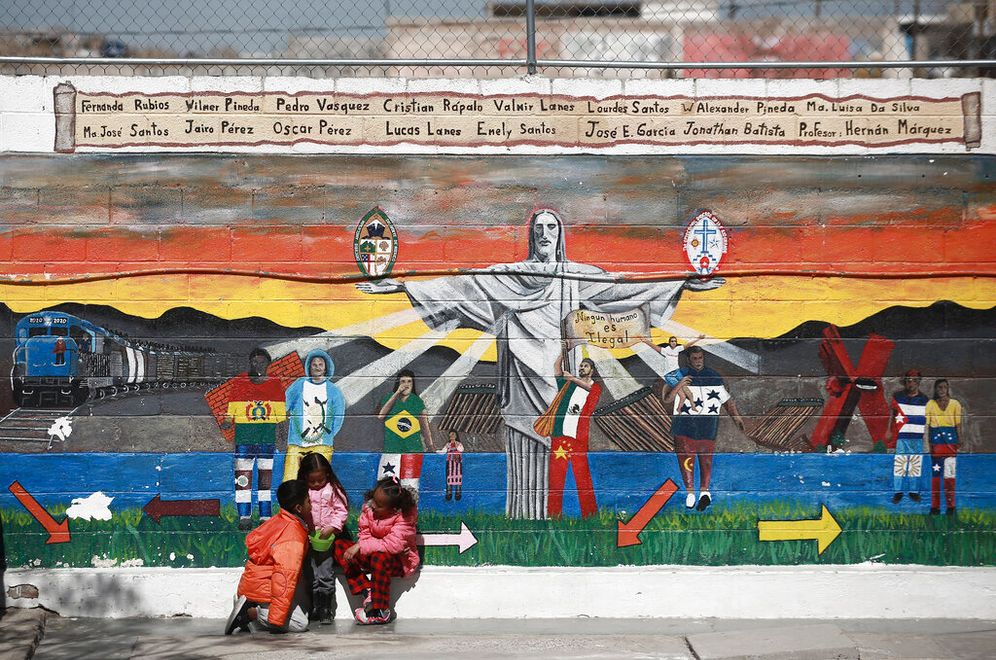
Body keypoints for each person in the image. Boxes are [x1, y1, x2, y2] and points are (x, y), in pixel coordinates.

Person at [357, 208, 723, 519]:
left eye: (552, 228)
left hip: (562, 385)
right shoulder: (509, 276)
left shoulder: (576, 276)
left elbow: (621, 288)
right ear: (531, 236)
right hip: (520, 380)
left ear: (560, 235)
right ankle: (522, 518)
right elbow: (463, 287)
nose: (545, 234)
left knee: (562, 454)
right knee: (522, 453)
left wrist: (683, 284)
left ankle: (553, 517)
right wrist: (400, 287)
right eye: (539, 229)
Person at [661, 346, 746, 511]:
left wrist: (737, 418)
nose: (698, 361)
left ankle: (704, 492)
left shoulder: (713, 376)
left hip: (707, 424)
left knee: (706, 459)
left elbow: (726, 400)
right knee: (686, 460)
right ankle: (690, 493)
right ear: (688, 359)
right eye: (695, 358)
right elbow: (667, 398)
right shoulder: (678, 375)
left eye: (700, 358)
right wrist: (679, 384)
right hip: (683, 424)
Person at [225, 479, 312, 635]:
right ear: (298, 508)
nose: (311, 505)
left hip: (254, 584)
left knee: (303, 611)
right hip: (263, 589)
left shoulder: (281, 520)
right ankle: (249, 613)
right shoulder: (292, 534)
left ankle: (248, 607)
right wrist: (276, 618)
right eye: (308, 501)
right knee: (300, 623)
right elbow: (284, 575)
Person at [333, 477, 420, 625]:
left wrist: (360, 546)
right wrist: (359, 546)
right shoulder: (369, 509)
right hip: (371, 556)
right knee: (340, 546)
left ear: (393, 509)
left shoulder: (405, 517)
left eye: (378, 505)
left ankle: (381, 610)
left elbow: (393, 545)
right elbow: (364, 533)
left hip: (397, 561)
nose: (373, 505)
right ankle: (366, 590)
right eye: (373, 499)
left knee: (380, 557)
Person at [220, 348, 287, 531]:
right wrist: (227, 421)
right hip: (244, 438)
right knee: (243, 478)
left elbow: (281, 416)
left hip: (266, 438)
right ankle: (244, 516)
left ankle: (265, 515)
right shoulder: (240, 383)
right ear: (250, 363)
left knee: (265, 479)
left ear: (268, 364)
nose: (258, 365)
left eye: (262, 362)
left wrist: (282, 437)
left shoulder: (274, 384)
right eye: (255, 362)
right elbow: (231, 407)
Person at [542, 341, 602, 518]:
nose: (582, 368)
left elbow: (589, 389)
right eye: (581, 365)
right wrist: (563, 351)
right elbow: (556, 367)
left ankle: (590, 514)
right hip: (560, 436)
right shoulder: (570, 386)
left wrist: (573, 378)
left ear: (592, 370)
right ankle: (554, 515)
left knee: (582, 477)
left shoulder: (595, 387)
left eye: (586, 366)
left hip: (578, 438)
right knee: (556, 478)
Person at [298, 452, 349, 625]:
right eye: (312, 481)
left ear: (327, 474)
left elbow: (341, 511)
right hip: (308, 539)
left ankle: (326, 608)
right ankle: (314, 607)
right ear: (305, 477)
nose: (317, 484)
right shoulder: (303, 490)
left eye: (320, 480)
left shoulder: (332, 490)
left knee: (325, 573)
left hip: (326, 540)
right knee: (311, 573)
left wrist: (332, 527)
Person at [283, 349, 346, 483]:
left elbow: (338, 417)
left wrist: (327, 435)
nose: (317, 367)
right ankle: (289, 504)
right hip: (296, 442)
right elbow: (285, 404)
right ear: (309, 367)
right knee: (291, 479)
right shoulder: (299, 385)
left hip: (322, 444)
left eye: (320, 364)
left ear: (325, 368)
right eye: (314, 364)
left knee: (317, 480)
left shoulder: (334, 391)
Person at [377, 370, 434, 493]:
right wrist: (397, 393)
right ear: (398, 383)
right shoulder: (389, 398)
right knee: (387, 485)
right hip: (391, 450)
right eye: (403, 381)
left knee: (410, 487)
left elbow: (425, 426)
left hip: (412, 451)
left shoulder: (417, 401)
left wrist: (430, 446)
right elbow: (381, 415)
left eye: (409, 381)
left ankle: (409, 512)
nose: (406, 384)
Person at [888, 369, 927, 503]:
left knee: (915, 464)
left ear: (919, 382)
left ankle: (913, 491)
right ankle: (898, 492)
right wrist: (889, 430)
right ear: (905, 382)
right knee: (900, 464)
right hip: (902, 436)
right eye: (909, 380)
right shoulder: (898, 397)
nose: (911, 383)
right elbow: (892, 414)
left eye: (914, 380)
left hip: (917, 437)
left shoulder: (924, 400)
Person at [925, 379, 962, 515]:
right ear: (935, 389)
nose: (942, 390)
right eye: (939, 387)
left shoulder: (955, 404)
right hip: (936, 444)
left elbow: (958, 424)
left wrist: (959, 439)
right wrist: (928, 445)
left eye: (944, 387)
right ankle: (935, 507)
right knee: (936, 477)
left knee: (950, 476)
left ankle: (951, 507)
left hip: (951, 444)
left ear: (948, 389)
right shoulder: (930, 404)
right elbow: (928, 426)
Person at [438, 429, 465, 501]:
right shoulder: (448, 444)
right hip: (449, 463)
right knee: (449, 477)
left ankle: (458, 493)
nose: (452, 436)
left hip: (458, 463)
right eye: (450, 435)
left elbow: (461, 449)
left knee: (458, 477)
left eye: (453, 435)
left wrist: (456, 444)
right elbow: (443, 451)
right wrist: (437, 451)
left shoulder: (459, 444)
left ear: (456, 436)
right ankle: (449, 493)